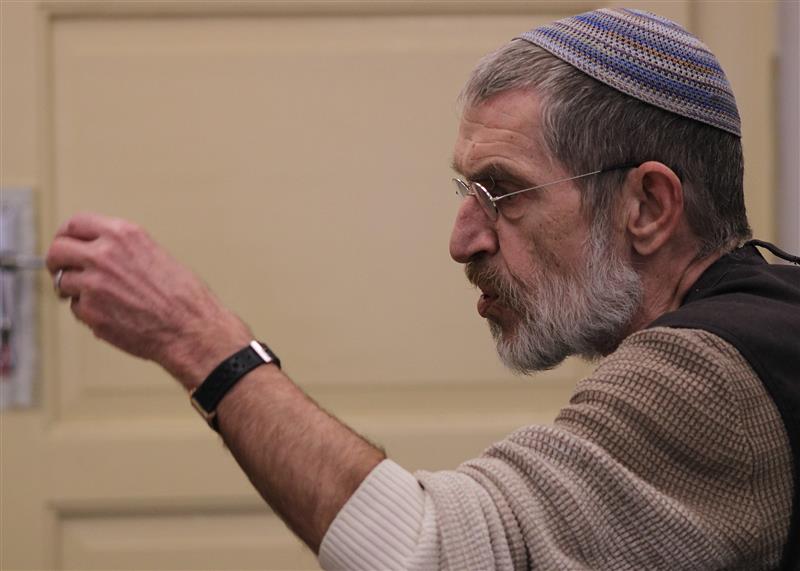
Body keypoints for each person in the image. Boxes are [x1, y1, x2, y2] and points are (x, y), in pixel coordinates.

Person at [45, 8, 798, 570]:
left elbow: (426, 551)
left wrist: (195, 336)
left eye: (503, 192)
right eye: (467, 191)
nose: (462, 240)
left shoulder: (712, 376)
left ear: (648, 207)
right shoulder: (767, 323)